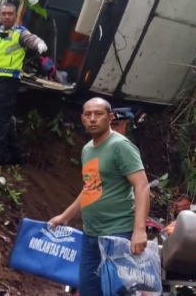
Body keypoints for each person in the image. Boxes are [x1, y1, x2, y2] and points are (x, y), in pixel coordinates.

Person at [49, 97, 150, 296]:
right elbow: (90, 188)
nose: (93, 119)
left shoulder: (120, 146)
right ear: (82, 119)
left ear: (110, 117)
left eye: (99, 114)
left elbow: (142, 186)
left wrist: (139, 230)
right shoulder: (87, 150)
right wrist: (65, 217)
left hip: (118, 233)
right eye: (88, 115)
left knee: (117, 291)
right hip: (91, 234)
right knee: (88, 290)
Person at [0, 2, 48, 166]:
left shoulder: (20, 33)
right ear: (0, 16)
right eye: (4, 13)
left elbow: (32, 40)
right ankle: (18, 155)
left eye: (10, 13)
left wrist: (39, 45)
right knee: (0, 117)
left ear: (15, 16)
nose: (7, 16)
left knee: (2, 118)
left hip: (9, 80)